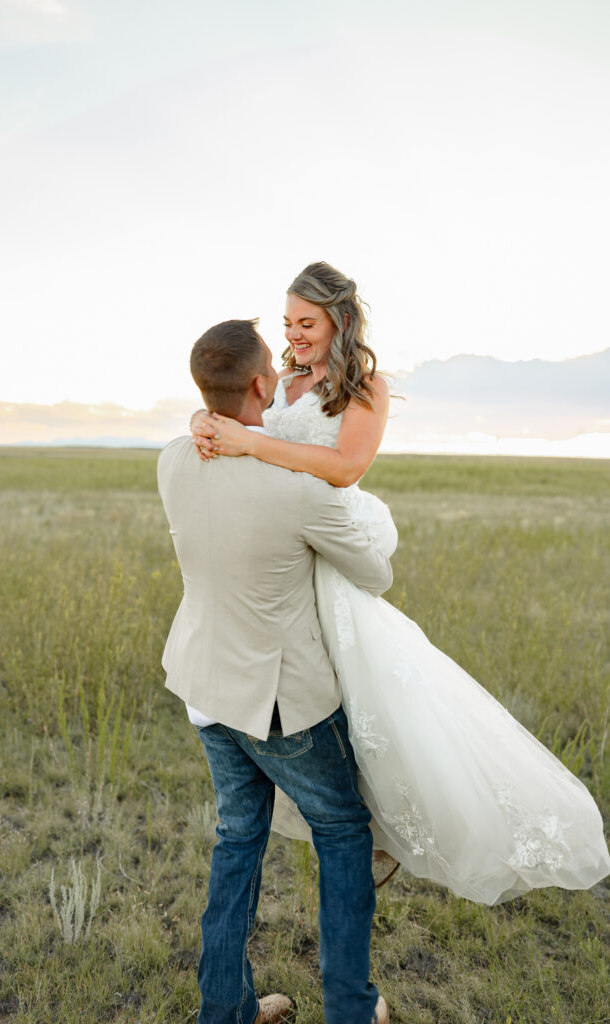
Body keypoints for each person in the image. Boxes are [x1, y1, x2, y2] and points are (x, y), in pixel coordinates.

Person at [191, 262, 610, 905]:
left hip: (330, 552)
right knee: (314, 705)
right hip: (283, 558)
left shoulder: (366, 387)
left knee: (370, 705)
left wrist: (252, 447)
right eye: (287, 324)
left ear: (340, 320)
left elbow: (346, 465)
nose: (295, 337)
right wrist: (208, 425)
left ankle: (385, 832)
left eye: (307, 323)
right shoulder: (282, 384)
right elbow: (236, 415)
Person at [158, 318, 394, 1024]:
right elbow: (374, 573)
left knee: (238, 840)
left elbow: (207, 435)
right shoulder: (296, 490)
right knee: (344, 832)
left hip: (204, 688)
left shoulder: (173, 456)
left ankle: (222, 1009)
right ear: (263, 383)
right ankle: (351, 1008)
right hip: (278, 704)